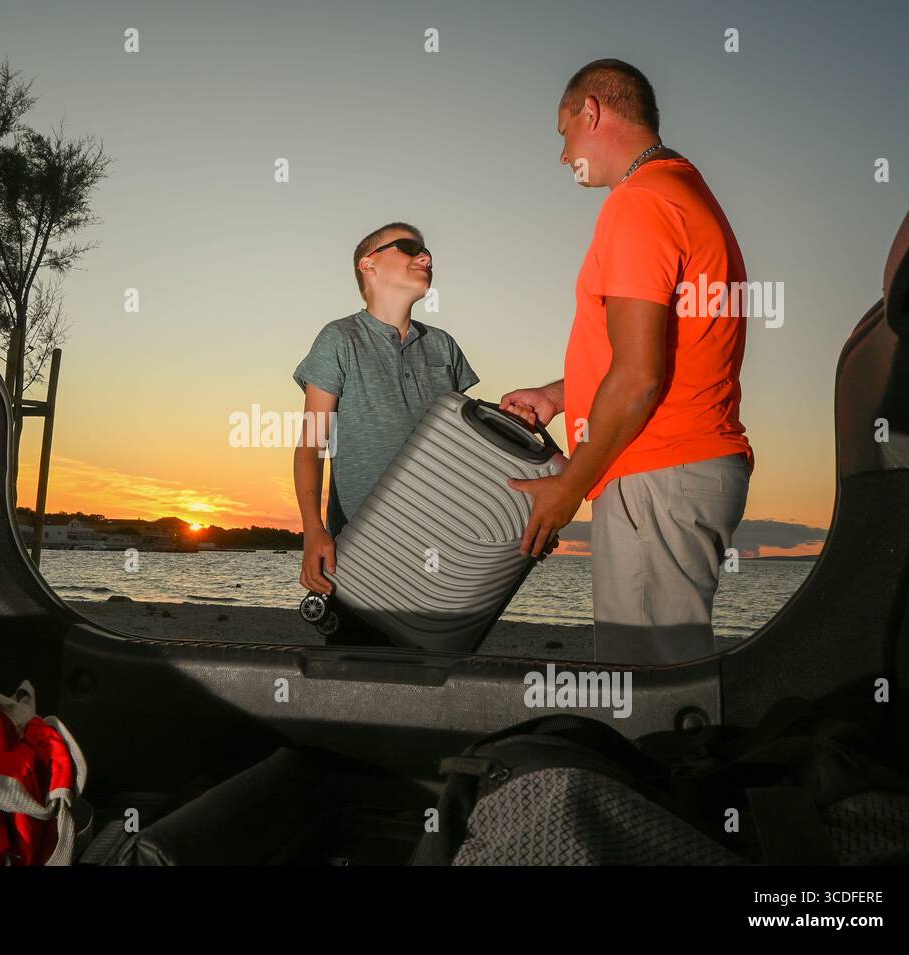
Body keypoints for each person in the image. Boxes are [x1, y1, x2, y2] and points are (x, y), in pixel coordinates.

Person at [503, 59, 753, 665]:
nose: (563, 155)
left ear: (592, 112)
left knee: (643, 691)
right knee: (664, 678)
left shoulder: (638, 203)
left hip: (658, 468)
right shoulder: (682, 191)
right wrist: (562, 395)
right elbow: (656, 353)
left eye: (564, 132)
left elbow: (639, 379)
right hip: (679, 467)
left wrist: (570, 484)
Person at [292, 222, 479, 617]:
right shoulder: (339, 338)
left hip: (443, 546)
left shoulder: (444, 345)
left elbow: (465, 448)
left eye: (425, 252)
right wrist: (313, 530)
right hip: (362, 549)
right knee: (359, 668)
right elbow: (311, 445)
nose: (425, 258)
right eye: (409, 248)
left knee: (438, 668)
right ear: (368, 265)